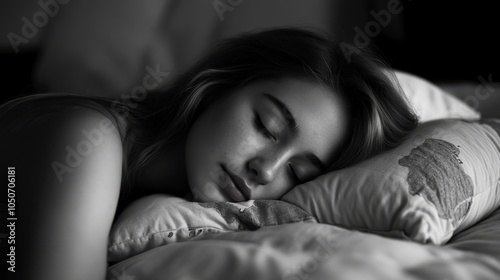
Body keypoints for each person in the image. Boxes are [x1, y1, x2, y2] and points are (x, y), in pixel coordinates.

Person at [0, 28, 418, 280]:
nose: (266, 169)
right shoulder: (86, 138)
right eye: (266, 126)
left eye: (299, 170)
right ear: (218, 84)